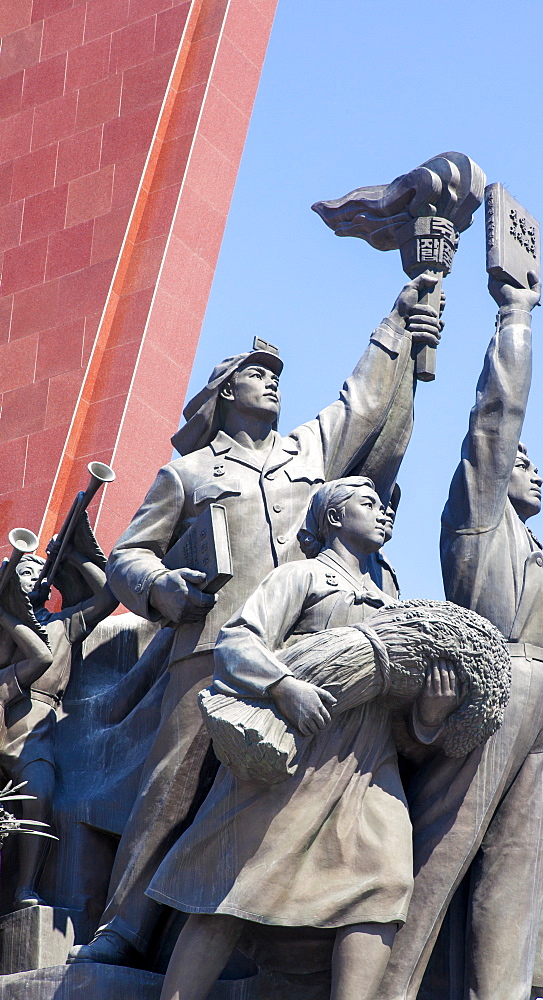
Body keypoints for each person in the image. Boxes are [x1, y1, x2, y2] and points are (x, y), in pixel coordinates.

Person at [69, 275, 444, 966]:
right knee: (174, 784)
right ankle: (124, 925)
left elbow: (359, 401)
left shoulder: (308, 453)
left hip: (301, 647)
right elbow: (128, 555)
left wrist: (395, 319)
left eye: (273, 376)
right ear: (223, 395)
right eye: (254, 375)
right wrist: (161, 588)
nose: (270, 383)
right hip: (209, 646)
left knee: (278, 790)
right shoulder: (187, 473)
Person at [148, 478, 461, 1000]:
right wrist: (283, 685)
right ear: (334, 519)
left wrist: (430, 713)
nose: (384, 514)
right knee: (232, 889)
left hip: (370, 762)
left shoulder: (396, 601)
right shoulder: (303, 576)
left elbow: (403, 712)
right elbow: (238, 640)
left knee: (384, 884)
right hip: (295, 753)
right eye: (369, 504)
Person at [376, 274, 543, 1000]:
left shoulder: (536, 547)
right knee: (441, 855)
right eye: (522, 460)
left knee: (519, 870)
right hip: (502, 680)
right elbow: (496, 417)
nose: (531, 467)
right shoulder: (478, 517)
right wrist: (515, 316)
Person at [0, 542, 117, 909]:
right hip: (3, 710)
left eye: (40, 574)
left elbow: (108, 596)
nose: (36, 579)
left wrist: (77, 555)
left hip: (35, 725)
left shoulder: (61, 625)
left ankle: (25, 887)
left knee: (40, 795)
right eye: (25, 573)